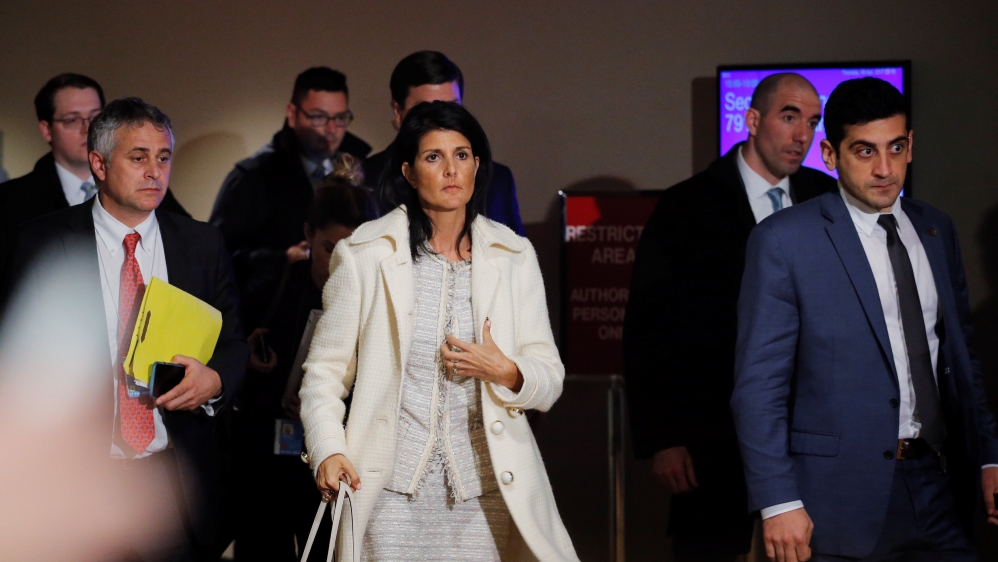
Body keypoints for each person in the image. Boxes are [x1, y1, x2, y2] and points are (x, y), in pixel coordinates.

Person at [731, 77, 998, 562]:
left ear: (910, 144)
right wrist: (778, 500)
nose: (885, 169)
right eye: (865, 151)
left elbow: (962, 359)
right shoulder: (785, 240)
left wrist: (989, 457)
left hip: (940, 486)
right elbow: (759, 385)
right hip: (836, 502)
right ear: (830, 155)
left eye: (896, 148)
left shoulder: (936, 229)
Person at [300, 101, 577, 561]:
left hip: (487, 496)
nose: (451, 169)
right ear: (409, 173)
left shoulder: (513, 256)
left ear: (477, 166)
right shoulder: (365, 254)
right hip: (386, 492)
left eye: (462, 155)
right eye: (434, 157)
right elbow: (323, 375)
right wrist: (328, 449)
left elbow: (549, 377)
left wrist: (508, 371)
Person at [7, 97, 249, 561]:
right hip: (77, 488)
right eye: (138, 158)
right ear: (99, 164)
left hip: (173, 489)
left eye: (163, 158)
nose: (155, 172)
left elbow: (234, 343)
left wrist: (215, 380)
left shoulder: (201, 243)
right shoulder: (42, 242)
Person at [623, 73, 835, 561]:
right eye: (789, 117)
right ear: (752, 120)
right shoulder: (687, 204)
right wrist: (664, 438)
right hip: (710, 431)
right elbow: (649, 326)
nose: (802, 134)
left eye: (812, 121)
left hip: (812, 429)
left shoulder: (827, 200)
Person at [230, 154, 379, 562]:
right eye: (330, 248)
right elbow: (227, 354)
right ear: (309, 234)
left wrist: (324, 407)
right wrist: (247, 355)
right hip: (267, 452)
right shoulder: (272, 287)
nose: (340, 263)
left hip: (334, 454)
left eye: (352, 251)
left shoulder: (375, 305)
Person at [209, 67, 371, 329]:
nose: (331, 129)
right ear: (292, 114)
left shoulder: (363, 168)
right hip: (272, 316)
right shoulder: (254, 176)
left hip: (350, 312)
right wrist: (282, 257)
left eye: (341, 118)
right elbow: (218, 257)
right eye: (318, 117)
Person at [0, 73, 188, 284]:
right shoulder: (10, 203)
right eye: (72, 120)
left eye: (95, 117)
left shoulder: (149, 188)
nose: (87, 128)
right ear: (46, 130)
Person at [361, 50, 525, 235]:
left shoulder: (496, 179)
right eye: (424, 109)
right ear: (398, 111)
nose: (441, 121)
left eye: (451, 107)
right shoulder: (365, 180)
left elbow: (515, 248)